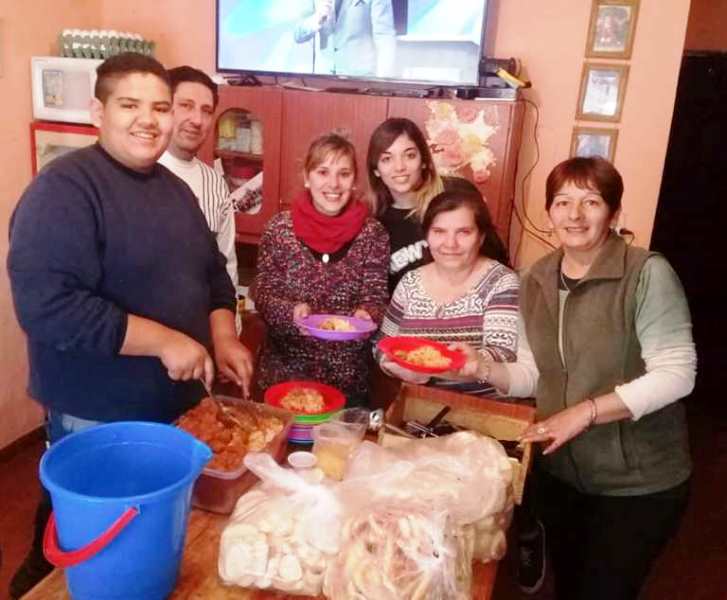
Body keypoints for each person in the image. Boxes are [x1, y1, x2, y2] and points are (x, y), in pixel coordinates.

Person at [6, 53, 253, 598]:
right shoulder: (64, 189)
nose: (149, 120)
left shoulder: (175, 190)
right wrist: (163, 341)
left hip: (178, 409)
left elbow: (213, 273)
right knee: (83, 552)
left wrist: (223, 335)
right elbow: (48, 306)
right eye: (129, 105)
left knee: (156, 544)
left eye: (160, 107)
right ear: (98, 113)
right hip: (99, 415)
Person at [475, 157, 695, 600]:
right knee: (571, 586)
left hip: (637, 483)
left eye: (590, 202)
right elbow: (532, 374)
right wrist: (478, 368)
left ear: (614, 213)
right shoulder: (533, 280)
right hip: (562, 474)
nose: (574, 215)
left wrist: (587, 412)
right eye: (562, 202)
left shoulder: (646, 273)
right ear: (548, 213)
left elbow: (677, 373)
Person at [253, 132, 389, 407]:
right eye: (323, 172)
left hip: (348, 384)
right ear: (307, 177)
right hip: (284, 380)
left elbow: (376, 298)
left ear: (354, 180)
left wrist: (367, 314)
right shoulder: (279, 229)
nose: (334, 184)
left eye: (344, 174)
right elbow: (263, 295)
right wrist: (291, 313)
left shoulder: (373, 234)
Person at [375, 188, 518, 397]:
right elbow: (383, 343)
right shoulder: (410, 282)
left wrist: (437, 369)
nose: (450, 244)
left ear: (481, 237)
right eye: (439, 232)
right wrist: (390, 365)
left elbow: (505, 355)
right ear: (427, 236)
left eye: (464, 232)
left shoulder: (501, 282)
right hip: (416, 403)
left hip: (482, 407)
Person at [366, 117, 484, 294]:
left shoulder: (457, 193)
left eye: (410, 155)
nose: (399, 167)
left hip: (468, 303)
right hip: (405, 310)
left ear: (424, 160)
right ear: (376, 169)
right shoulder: (374, 222)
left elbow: (494, 260)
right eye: (387, 159)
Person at [158, 65, 238, 292]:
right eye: (186, 106)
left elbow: (227, 264)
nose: (197, 120)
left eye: (206, 111)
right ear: (164, 108)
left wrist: (230, 312)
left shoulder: (215, 183)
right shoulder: (140, 171)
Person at [294, 0, 396, 78]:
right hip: (323, 80)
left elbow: (385, 37)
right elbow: (298, 35)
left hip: (359, 81)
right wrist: (317, 18)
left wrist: (382, 83)